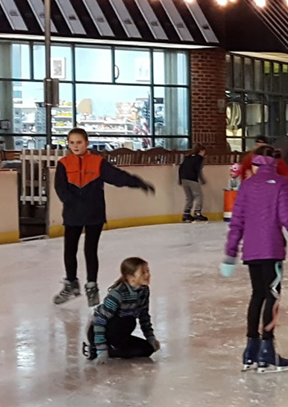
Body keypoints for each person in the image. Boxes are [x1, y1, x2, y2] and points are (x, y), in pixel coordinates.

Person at [222, 146, 288, 373]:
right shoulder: (281, 184)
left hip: (252, 251)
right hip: (272, 251)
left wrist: (230, 253)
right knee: (272, 297)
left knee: (257, 296)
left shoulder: (247, 185)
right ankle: (266, 352)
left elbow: (237, 223)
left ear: (256, 164)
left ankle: (250, 351)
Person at [53, 127, 155, 306]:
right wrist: (72, 202)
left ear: (87, 143)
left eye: (79, 142)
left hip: (94, 214)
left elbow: (118, 177)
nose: (75, 146)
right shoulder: (64, 164)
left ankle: (91, 286)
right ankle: (71, 284)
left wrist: (138, 183)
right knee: (70, 249)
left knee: (90, 250)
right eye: (72, 143)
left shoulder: (98, 163)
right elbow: (60, 188)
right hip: (72, 214)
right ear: (68, 144)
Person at [82, 257, 160, 363]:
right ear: (130, 277)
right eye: (143, 272)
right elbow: (99, 321)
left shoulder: (144, 291)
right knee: (127, 320)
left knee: (147, 349)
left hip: (121, 335)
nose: (147, 274)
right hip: (100, 332)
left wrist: (150, 337)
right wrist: (101, 349)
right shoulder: (117, 294)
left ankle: (108, 350)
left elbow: (144, 316)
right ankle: (96, 348)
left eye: (148, 271)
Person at [179, 144, 208, 222]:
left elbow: (181, 168)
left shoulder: (187, 157)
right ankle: (197, 213)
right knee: (199, 195)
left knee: (189, 197)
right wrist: (201, 180)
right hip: (192, 178)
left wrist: (180, 180)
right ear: (201, 151)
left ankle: (186, 214)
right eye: (204, 151)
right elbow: (198, 170)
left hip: (184, 178)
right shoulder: (200, 158)